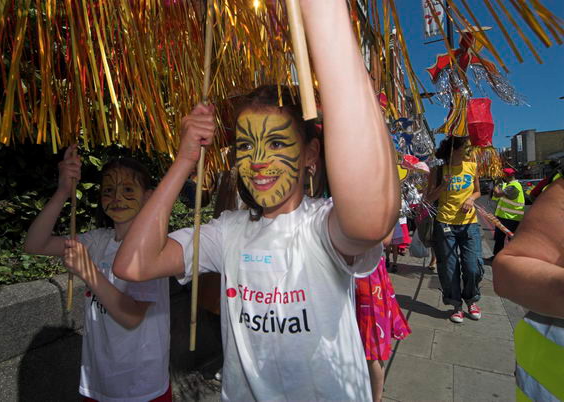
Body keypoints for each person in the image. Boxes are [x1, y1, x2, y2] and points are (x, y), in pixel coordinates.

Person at [113, 2, 400, 400]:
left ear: (311, 156)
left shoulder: (322, 225)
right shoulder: (227, 232)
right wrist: (184, 161)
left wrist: (324, 12)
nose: (259, 160)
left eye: (278, 142)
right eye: (246, 144)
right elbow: (133, 264)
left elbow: (371, 221)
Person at [24, 147, 171, 402]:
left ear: (148, 197)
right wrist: (62, 192)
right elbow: (35, 244)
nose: (116, 198)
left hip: (141, 388)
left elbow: (131, 317)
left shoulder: (154, 247)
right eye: (108, 191)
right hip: (97, 382)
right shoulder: (98, 240)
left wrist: (88, 271)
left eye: (127, 189)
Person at [492, 179, 564, 400]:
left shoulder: (512, 185)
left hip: (510, 220)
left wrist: (499, 191)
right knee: (498, 244)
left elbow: (509, 195)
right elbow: (508, 271)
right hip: (545, 386)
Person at [426, 136, 484, 323]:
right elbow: (428, 198)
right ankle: (456, 305)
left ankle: (471, 299)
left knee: (472, 266)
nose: (468, 150)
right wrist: (443, 184)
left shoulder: (471, 166)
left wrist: (471, 199)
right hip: (445, 224)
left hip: (469, 224)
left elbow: (477, 191)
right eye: (465, 147)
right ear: (454, 150)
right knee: (449, 267)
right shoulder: (438, 170)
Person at [356, 234, 411, 402]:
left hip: (367, 278)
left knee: (372, 349)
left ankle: (376, 398)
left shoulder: (377, 210)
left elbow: (385, 240)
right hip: (351, 277)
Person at [490, 167, 524, 257]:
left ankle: (514, 257)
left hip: (511, 218)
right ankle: (496, 256)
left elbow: (497, 194)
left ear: (506, 176)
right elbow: (497, 197)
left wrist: (496, 184)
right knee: (499, 238)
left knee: (510, 239)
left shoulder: (514, 186)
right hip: (504, 217)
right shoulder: (508, 185)